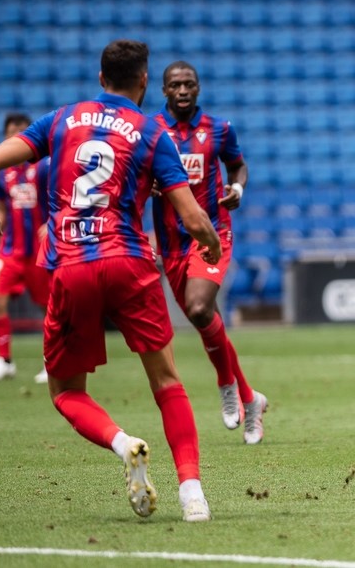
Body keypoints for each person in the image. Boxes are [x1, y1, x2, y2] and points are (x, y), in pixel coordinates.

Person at [0, 39, 223, 521]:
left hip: (71, 265)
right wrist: (210, 243)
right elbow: (192, 218)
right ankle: (193, 495)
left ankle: (123, 442)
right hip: (129, 262)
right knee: (167, 381)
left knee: (66, 392)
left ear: (101, 78)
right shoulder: (151, 131)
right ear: (145, 81)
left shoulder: (62, 119)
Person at [150, 60, 267, 445]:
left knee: (200, 309)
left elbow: (238, 166)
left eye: (189, 84)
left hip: (211, 234)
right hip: (171, 245)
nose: (182, 91)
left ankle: (226, 384)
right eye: (175, 85)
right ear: (164, 90)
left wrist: (238, 189)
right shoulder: (151, 132)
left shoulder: (219, 129)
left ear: (197, 88)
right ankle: (251, 399)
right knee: (206, 322)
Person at [0, 113, 52, 384]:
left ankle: (50, 363)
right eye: (13, 131)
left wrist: (53, 224)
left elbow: (60, 200)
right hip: (11, 251)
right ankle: (4, 361)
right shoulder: (2, 174)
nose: (17, 136)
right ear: (5, 137)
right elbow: (0, 212)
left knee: (49, 309)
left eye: (23, 131)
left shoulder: (44, 168)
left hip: (40, 251)